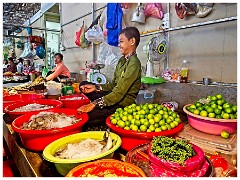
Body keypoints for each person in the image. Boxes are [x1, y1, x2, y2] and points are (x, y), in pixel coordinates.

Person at [77, 26, 141, 128]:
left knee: (87, 118)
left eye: (121, 42)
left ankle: (101, 113)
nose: (119, 45)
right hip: (114, 95)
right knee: (83, 85)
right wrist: (96, 87)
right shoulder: (122, 61)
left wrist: (94, 104)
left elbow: (119, 92)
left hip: (122, 102)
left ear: (132, 41)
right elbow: (114, 84)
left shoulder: (134, 63)